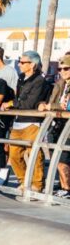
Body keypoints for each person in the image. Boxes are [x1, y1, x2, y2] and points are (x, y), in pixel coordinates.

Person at [6, 51, 49, 194]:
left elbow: (30, 103)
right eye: (20, 61)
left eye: (23, 62)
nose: (19, 64)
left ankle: (37, 184)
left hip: (32, 122)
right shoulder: (20, 78)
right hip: (18, 122)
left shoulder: (40, 81)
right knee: (14, 155)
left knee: (35, 155)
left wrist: (12, 103)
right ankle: (24, 181)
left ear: (33, 65)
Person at [41, 54, 70, 197]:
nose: (62, 71)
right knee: (56, 157)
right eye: (60, 69)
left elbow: (66, 106)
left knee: (62, 159)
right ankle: (63, 185)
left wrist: (48, 106)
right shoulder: (61, 84)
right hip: (58, 125)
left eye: (66, 68)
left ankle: (66, 189)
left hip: (67, 128)